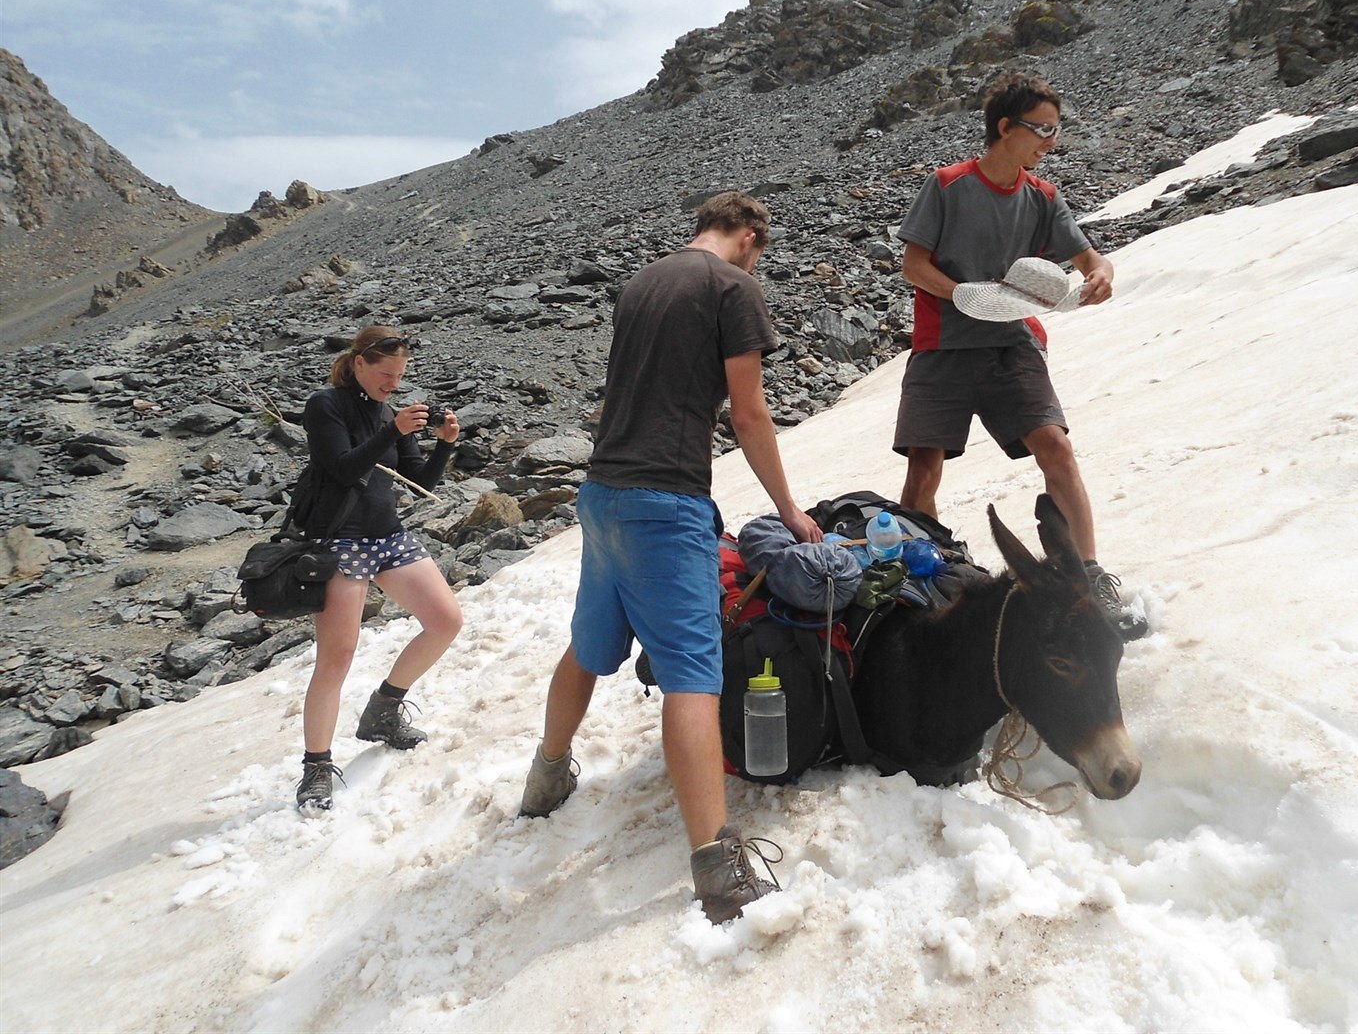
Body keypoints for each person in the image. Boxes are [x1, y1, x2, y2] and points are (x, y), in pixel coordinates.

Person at [519, 192, 822, 924]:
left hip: (604, 493)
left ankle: (546, 778)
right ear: (749, 236)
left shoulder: (644, 281)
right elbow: (748, 411)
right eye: (759, 252)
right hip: (666, 499)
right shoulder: (732, 286)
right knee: (693, 672)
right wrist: (788, 508)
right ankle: (718, 869)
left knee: (589, 646)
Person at [894, 70, 1137, 623]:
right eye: (1042, 129)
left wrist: (1101, 273)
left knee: (1056, 447)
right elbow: (913, 265)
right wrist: (962, 294)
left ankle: (1088, 576)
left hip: (1012, 343)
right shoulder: (948, 185)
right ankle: (922, 582)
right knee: (924, 469)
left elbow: (1089, 257)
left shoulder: (1043, 197)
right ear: (1005, 128)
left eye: (1056, 129)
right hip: (943, 344)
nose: (1052, 141)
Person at [294, 325, 464, 810]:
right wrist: (393, 431)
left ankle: (384, 710)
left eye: (400, 376)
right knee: (337, 658)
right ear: (359, 364)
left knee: (446, 621)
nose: (393, 383)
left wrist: (444, 444)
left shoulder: (390, 413)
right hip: (339, 541)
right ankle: (316, 768)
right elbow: (342, 467)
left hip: (387, 536)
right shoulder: (325, 405)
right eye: (386, 374)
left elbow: (418, 481)